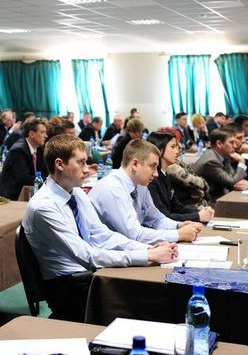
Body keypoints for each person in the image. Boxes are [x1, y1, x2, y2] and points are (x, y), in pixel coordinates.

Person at [22, 135, 178, 322]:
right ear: (60, 164)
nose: (87, 169)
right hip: (69, 285)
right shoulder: (43, 206)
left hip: (88, 273)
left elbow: (102, 235)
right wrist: (146, 256)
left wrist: (147, 249)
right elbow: (87, 256)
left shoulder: (76, 193)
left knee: (156, 283)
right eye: (81, 163)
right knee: (150, 296)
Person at [89, 139, 202, 244]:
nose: (156, 174)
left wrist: (178, 226)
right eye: (152, 166)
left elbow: (156, 219)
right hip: (102, 252)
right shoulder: (113, 189)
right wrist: (178, 234)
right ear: (135, 164)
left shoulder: (140, 185)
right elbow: (135, 235)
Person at [146, 131, 213, 222]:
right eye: (173, 147)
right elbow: (163, 216)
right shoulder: (151, 179)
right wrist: (198, 216)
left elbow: (177, 207)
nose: (177, 151)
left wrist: (201, 212)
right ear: (160, 150)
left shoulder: (165, 174)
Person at [191, 128, 248, 201]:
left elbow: (233, 178)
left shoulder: (223, 156)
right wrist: (242, 162)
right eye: (231, 142)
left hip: (218, 196)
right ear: (219, 144)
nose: (234, 146)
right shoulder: (211, 161)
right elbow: (232, 183)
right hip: (207, 201)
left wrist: (242, 182)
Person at [0, 119, 47, 200]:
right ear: (31, 134)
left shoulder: (39, 149)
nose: (46, 136)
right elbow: (23, 178)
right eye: (42, 132)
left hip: (31, 191)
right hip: (14, 197)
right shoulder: (18, 151)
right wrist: (48, 180)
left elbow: (44, 171)